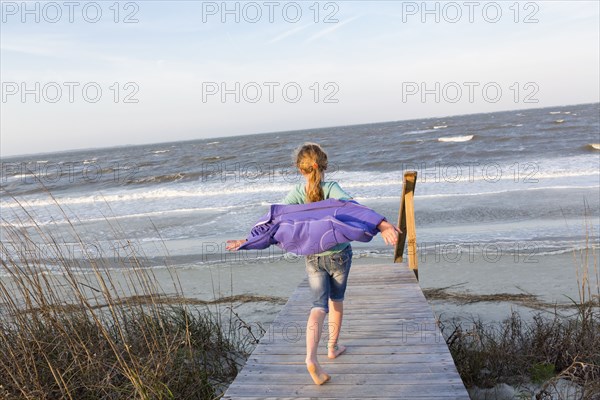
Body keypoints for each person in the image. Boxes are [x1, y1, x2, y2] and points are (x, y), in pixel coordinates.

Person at [226, 143, 399, 385]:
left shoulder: (297, 193)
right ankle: (333, 347)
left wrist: (246, 240)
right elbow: (354, 210)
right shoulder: (332, 188)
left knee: (318, 307)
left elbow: (275, 221)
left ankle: (310, 358)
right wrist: (383, 225)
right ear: (324, 165)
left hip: (313, 258)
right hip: (339, 256)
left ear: (300, 169)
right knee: (336, 302)